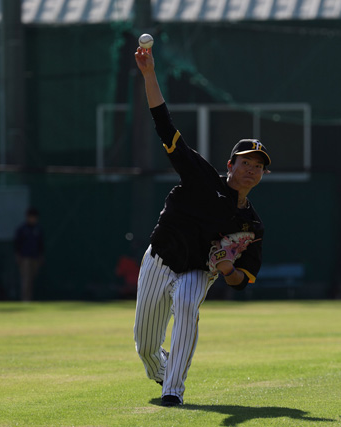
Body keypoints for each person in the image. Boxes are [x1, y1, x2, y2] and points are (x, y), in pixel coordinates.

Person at [132, 46, 270, 407]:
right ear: (230, 164)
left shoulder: (251, 225)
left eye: (258, 166)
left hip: (197, 270)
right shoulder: (201, 177)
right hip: (160, 260)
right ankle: (161, 370)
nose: (251, 170)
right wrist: (149, 75)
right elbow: (165, 126)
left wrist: (229, 271)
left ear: (262, 174)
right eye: (245, 162)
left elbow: (243, 279)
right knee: (145, 345)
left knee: (187, 306)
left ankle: (173, 390)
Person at [14, 207, 44, 301]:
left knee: (32, 278)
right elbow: (17, 243)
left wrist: (41, 256)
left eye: (34, 217)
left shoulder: (38, 229)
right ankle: (25, 299)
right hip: (25, 257)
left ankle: (30, 298)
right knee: (26, 279)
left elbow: (41, 244)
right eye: (31, 217)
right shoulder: (22, 229)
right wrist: (18, 255)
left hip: (35, 257)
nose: (33, 219)